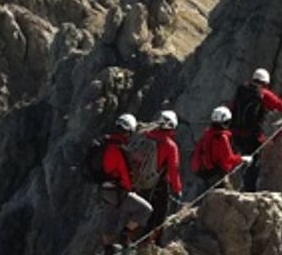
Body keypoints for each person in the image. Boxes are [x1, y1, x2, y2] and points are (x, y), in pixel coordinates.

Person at [229, 68, 282, 190]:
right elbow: (280, 105)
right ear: (265, 83)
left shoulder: (241, 90)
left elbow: (233, 109)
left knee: (242, 159)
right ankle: (249, 189)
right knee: (253, 161)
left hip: (236, 132)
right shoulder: (263, 94)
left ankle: (240, 186)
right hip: (252, 134)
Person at [97, 113, 152, 252]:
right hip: (118, 191)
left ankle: (108, 249)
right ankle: (125, 235)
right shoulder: (119, 149)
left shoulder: (105, 143)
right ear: (128, 131)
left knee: (108, 221)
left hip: (104, 190)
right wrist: (131, 189)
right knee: (145, 210)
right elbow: (125, 174)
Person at [137, 110, 183, 246]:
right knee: (158, 216)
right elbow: (173, 170)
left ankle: (137, 239)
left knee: (142, 212)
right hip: (159, 185)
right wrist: (177, 189)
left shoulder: (146, 136)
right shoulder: (170, 145)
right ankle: (153, 244)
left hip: (140, 182)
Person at [191, 106, 249, 192]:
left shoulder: (207, 135)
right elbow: (227, 158)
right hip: (218, 174)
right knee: (226, 199)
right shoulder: (222, 137)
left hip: (206, 173)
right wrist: (242, 159)